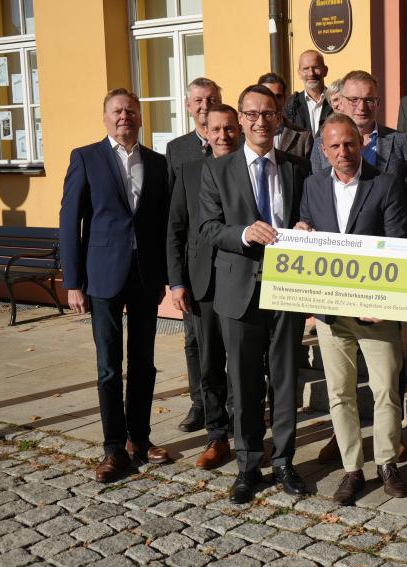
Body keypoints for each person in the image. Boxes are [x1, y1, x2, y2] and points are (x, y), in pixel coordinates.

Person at [200, 84, 310, 503]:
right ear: (241, 119)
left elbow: (309, 211)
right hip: (239, 288)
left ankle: (283, 461)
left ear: (279, 118)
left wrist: (304, 223)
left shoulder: (297, 166)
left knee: (284, 378)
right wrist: (244, 233)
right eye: (252, 114)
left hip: (287, 287)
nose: (261, 121)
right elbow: (208, 227)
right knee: (243, 382)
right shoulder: (217, 169)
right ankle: (248, 464)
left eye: (269, 114)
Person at [295, 113, 407, 505]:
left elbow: (398, 244)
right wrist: (302, 230)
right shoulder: (312, 185)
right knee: (340, 394)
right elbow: (308, 228)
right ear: (324, 151)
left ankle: (387, 463)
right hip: (331, 312)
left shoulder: (387, 184)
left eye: (349, 143)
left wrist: (387, 302)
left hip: (375, 311)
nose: (343, 152)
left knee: (385, 391)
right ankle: (352, 469)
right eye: (335, 146)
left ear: (360, 143)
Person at [59, 88, 171, 482]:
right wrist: (72, 282)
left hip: (145, 277)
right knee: (109, 367)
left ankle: (139, 439)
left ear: (140, 118)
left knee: (144, 364)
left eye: (131, 111)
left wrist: (169, 277)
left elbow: (162, 223)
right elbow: (70, 221)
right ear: (105, 117)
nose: (125, 116)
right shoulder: (86, 158)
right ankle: (113, 447)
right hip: (102, 275)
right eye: (117, 111)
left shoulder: (157, 163)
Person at [167, 104, 242, 470]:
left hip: (243, 280)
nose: (223, 136)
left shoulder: (251, 167)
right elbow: (176, 230)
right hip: (204, 282)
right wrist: (177, 281)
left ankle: (245, 431)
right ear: (206, 133)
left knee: (245, 363)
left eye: (230, 128)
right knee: (210, 362)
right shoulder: (189, 172)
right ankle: (216, 434)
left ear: (238, 130)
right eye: (217, 130)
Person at [165, 77, 222, 432]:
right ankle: (200, 402)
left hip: (229, 262)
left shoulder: (232, 141)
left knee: (227, 342)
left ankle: (227, 403)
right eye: (198, 100)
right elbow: (174, 218)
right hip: (193, 264)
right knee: (193, 340)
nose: (204, 105)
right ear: (188, 106)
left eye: (211, 99)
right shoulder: (177, 150)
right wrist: (175, 277)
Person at [311, 71, 407, 179]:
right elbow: (318, 189)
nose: (361, 107)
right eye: (354, 100)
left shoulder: (399, 141)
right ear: (341, 103)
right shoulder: (322, 144)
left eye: (368, 100)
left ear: (377, 103)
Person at [258, 72, 313, 159]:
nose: (273, 101)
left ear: (285, 98)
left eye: (278, 96)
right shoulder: (244, 135)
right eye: (268, 95)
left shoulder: (303, 138)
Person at [284, 50, 333, 135]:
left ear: (325, 71)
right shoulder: (290, 105)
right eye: (306, 69)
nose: (311, 73)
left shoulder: (337, 101)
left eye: (316, 67)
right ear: (299, 73)